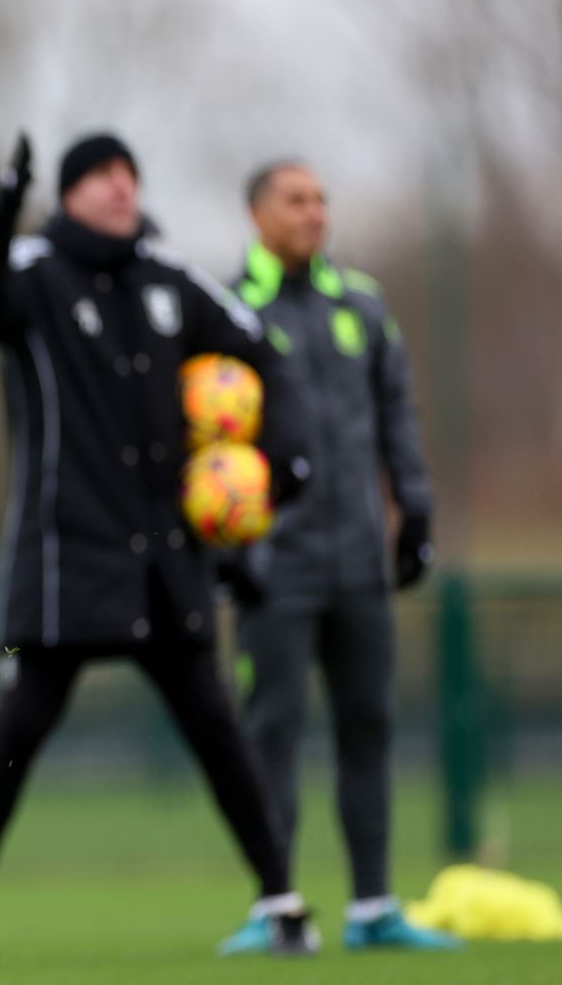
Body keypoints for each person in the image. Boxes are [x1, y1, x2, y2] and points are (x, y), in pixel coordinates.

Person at [0, 133, 319, 964]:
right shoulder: (32, 274)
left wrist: (282, 467)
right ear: (67, 194)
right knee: (18, 732)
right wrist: (4, 194)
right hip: (65, 559)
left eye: (130, 175)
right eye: (101, 175)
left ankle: (284, 901)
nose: (120, 188)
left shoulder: (169, 279)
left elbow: (265, 355)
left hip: (164, 560)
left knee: (217, 729)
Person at [227, 160, 458, 951]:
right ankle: (276, 908)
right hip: (274, 568)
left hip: (361, 561)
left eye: (322, 199)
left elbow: (398, 409)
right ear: (258, 214)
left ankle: (373, 908)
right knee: (273, 733)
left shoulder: (360, 302)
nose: (314, 212)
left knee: (369, 728)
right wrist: (227, 548)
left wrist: (416, 509)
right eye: (296, 200)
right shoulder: (231, 310)